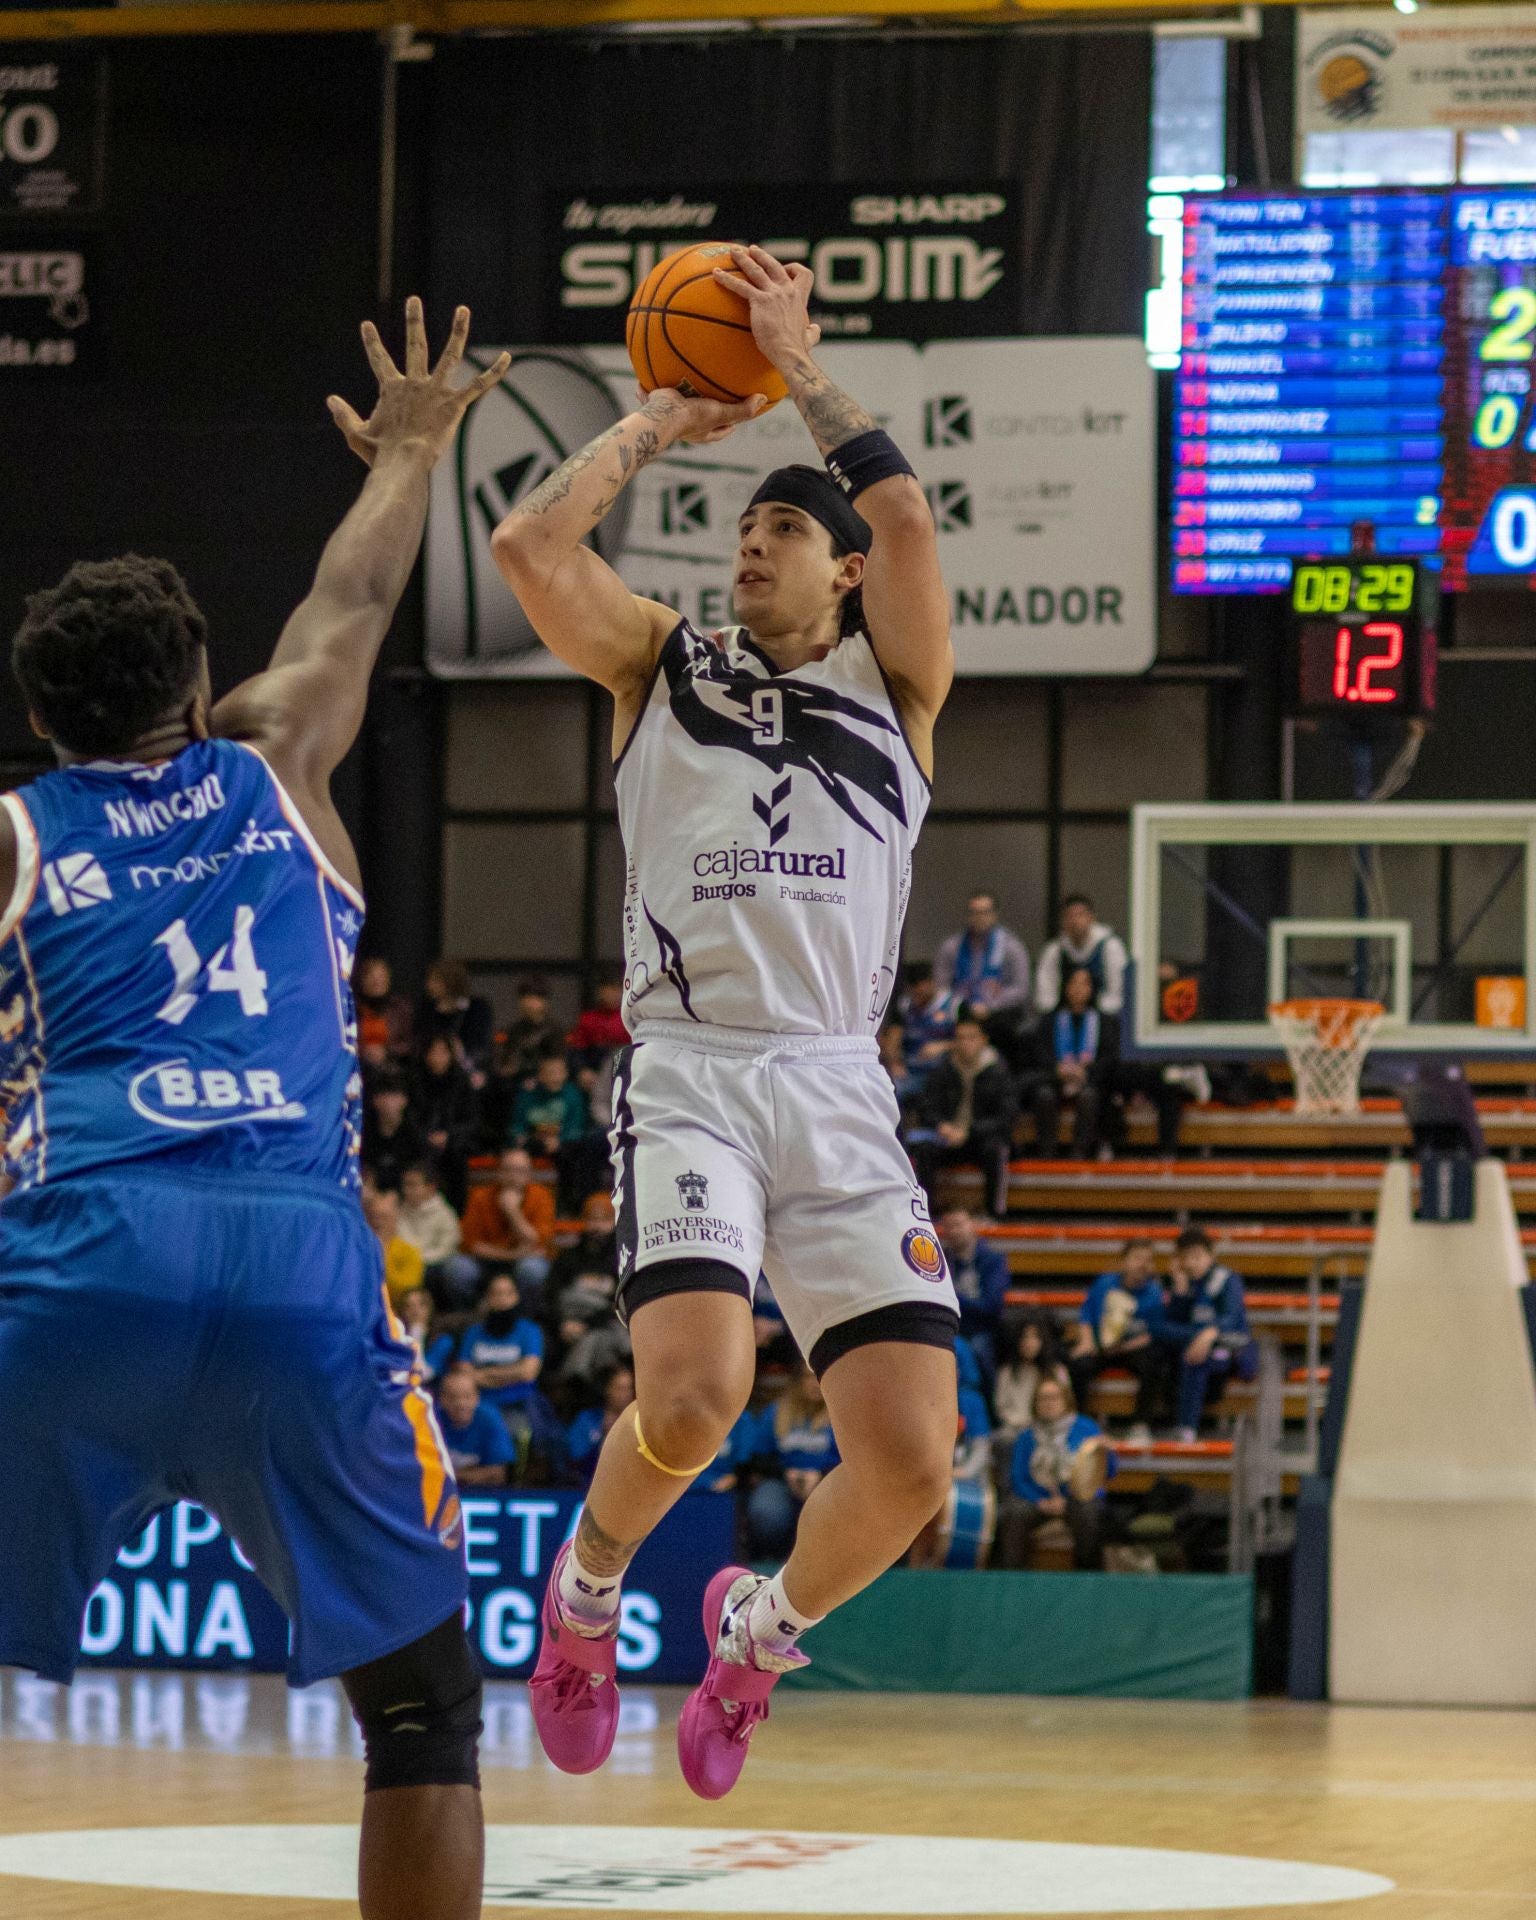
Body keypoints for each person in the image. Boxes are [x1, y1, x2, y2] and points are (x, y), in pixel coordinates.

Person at [0, 298, 508, 1919]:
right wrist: (415, 448)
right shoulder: (280, 765)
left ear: (42, 725)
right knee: (423, 1708)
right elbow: (354, 595)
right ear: (205, 683)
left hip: (86, 1253)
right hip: (299, 1267)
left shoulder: (17, 841)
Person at [491, 241, 960, 1800]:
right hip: (691, 1070)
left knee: (909, 1463)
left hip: (835, 1086)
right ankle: (581, 1601)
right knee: (693, 1398)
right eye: (744, 531)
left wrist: (798, 363)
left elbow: (899, 511)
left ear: (839, 578)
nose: (752, 549)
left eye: (783, 533)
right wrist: (650, 427)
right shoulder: (662, 667)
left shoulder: (899, 693)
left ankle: (753, 1637)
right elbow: (525, 547)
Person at [996, 1376, 1114, 1572]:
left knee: (1089, 1514)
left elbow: (1104, 1474)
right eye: (1043, 1398)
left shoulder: (1086, 1428)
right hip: (1038, 1500)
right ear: (1035, 1403)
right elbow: (1018, 1478)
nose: (1049, 1403)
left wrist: (1107, 1453)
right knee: (1013, 1512)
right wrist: (1040, 1501)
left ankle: (1089, 1580)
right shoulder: (1026, 1436)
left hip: (1077, 1498)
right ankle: (1013, 1579)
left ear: (1066, 1400)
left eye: (1054, 1397)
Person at [911, 1010, 1019, 1218]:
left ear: (983, 1040)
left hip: (979, 1139)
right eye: (960, 1038)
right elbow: (926, 1107)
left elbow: (1006, 1117)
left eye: (971, 1038)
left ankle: (993, 1214)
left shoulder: (998, 1072)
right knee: (923, 1150)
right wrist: (942, 1126)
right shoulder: (943, 1070)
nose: (965, 1043)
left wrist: (969, 1131)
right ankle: (925, 1214)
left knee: (996, 1149)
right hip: (947, 1137)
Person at [1152, 1227, 1256, 1442]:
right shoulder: (1179, 1281)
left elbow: (1232, 1318)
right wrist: (1180, 1294)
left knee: (1197, 1357)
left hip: (1226, 1344)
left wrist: (1209, 1334)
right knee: (1157, 1335)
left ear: (1211, 1254)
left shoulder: (1226, 1279)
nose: (1191, 1263)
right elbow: (1166, 1325)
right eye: (1185, 1257)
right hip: (1190, 1339)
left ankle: (1186, 1427)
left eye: (1197, 1256)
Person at [1067, 1239, 1165, 1441]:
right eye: (1137, 1258)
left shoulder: (1155, 1292)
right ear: (1124, 1261)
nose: (1142, 1264)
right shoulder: (1104, 1283)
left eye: (1147, 1260)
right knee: (1078, 1363)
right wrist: (1087, 1342)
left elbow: (1153, 1333)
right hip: (1100, 1347)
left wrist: (1121, 1347)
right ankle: (1079, 1423)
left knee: (1153, 1362)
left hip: (1132, 1348)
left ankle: (1140, 1424)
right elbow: (1086, 1314)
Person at [745, 1364, 841, 1560]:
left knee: (833, 1512)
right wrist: (786, 1473)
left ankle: (823, 1561)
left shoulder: (841, 1414)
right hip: (780, 1479)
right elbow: (757, 1458)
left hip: (829, 1480)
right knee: (766, 1511)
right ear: (798, 1381)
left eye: (819, 1377)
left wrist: (820, 1475)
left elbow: (852, 1460)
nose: (815, 1384)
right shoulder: (776, 1412)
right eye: (808, 1377)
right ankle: (771, 1561)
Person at [1022, 965, 1117, 1160]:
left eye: (1084, 983)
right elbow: (1039, 1053)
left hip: (1089, 1079)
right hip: (1055, 1077)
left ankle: (1080, 1152)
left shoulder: (1105, 1021)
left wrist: (1085, 1072)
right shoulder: (1049, 1020)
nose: (1079, 988)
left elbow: (1109, 1057)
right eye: (1074, 983)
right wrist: (1057, 1070)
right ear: (1065, 987)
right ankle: (1046, 1151)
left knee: (1089, 1096)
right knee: (1044, 1094)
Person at [458, 1146, 555, 1293]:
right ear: (499, 1171)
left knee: (532, 1269)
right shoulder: (479, 1196)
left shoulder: (542, 1196)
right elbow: (471, 1244)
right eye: (508, 1169)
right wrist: (511, 1256)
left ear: (529, 1174)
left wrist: (512, 1211)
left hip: (525, 1261)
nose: (513, 1176)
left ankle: (521, 1313)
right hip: (488, 1260)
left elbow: (537, 1241)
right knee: (458, 1267)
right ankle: (471, 1312)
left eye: (520, 1171)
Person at [933, 892, 1032, 1025]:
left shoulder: (1012, 947)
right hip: (960, 1011)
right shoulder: (951, 947)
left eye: (985, 912)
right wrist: (963, 1005)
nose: (980, 917)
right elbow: (941, 986)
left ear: (995, 915)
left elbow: (1021, 989)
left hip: (998, 1013)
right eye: (974, 912)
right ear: (967, 916)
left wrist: (990, 1005)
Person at [937, 1205, 1011, 1381]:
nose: (954, 1231)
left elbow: (992, 1306)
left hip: (983, 1330)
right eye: (949, 1226)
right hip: (950, 1327)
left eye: (958, 1224)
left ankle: (987, 1404)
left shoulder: (992, 1260)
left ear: (972, 1224)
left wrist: (954, 1298)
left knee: (979, 1350)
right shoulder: (941, 1259)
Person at [409, 1033, 481, 1212]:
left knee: (456, 1157)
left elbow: (472, 1120)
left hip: (455, 1142)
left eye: (443, 1052)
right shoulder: (415, 1081)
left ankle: (457, 1213)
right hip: (422, 1141)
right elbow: (411, 1117)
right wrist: (426, 1135)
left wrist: (448, 1135)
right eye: (433, 1052)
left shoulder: (462, 1082)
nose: (437, 1058)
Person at [460, 1271, 545, 1416]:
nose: (502, 1299)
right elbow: (465, 1374)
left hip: (520, 1403)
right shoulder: (473, 1332)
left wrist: (487, 1373)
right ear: (487, 1298)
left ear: (517, 1297)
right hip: (479, 1404)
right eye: (496, 1293)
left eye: (508, 1293)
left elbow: (528, 1372)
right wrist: (512, 1373)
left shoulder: (530, 1330)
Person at [1034, 893, 1129, 1018]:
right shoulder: (1054, 950)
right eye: (1070, 916)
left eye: (1080, 915)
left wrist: (1092, 1011)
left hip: (1104, 1017)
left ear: (1092, 918)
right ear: (1063, 921)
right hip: (1064, 1017)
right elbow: (1044, 994)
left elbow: (1118, 992)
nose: (1075, 921)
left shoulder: (1110, 947)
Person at [399, 1161, 481, 1307]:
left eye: (413, 1185)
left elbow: (446, 1249)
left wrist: (419, 1259)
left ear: (430, 1188)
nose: (407, 1190)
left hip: (436, 1266)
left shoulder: (446, 1214)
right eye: (405, 1184)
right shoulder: (398, 1213)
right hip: (406, 1263)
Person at [435, 1365, 516, 1489]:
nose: (460, 1404)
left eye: (467, 1397)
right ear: (441, 1399)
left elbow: (498, 1474)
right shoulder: (431, 1419)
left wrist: (451, 1475)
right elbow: (419, 1471)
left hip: (482, 1494)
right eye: (453, 1397)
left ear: (476, 1398)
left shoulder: (490, 1418)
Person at [418, 958, 496, 1085]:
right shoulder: (427, 1010)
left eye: (435, 980)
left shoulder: (476, 1008)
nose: (429, 985)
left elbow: (482, 1046)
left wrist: (461, 1056)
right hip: (433, 1071)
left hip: (468, 1070)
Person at [993, 1311, 1066, 1439]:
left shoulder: (1057, 1371)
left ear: (1043, 1340)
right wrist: (1023, 1425)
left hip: (1052, 1430)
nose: (1029, 1343)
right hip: (1016, 1432)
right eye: (1024, 1337)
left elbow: (1066, 1405)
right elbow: (1001, 1408)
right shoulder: (1007, 1373)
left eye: (1034, 1337)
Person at [362, 1065, 428, 1194]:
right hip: (374, 1195)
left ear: (404, 1100)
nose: (388, 1102)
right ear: (375, 1100)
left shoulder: (414, 1135)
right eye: (383, 1096)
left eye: (394, 1095)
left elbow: (418, 1172)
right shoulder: (366, 1134)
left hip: (407, 1195)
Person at [567, 1366, 636, 1484]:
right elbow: (574, 1456)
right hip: (587, 1486)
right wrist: (602, 1437)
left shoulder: (639, 1423)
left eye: (628, 1389)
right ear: (607, 1389)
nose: (624, 1394)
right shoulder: (587, 1419)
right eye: (619, 1388)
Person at [365, 1184, 427, 1308]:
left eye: (384, 1217)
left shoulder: (409, 1252)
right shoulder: (356, 1249)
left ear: (395, 1218)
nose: (378, 1222)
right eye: (373, 1216)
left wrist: (382, 1254)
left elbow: (406, 1292)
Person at [355, 955, 414, 1067]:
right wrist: (362, 1050)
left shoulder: (400, 1007)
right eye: (371, 977)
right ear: (362, 980)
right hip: (357, 1068)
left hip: (391, 1069)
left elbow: (410, 1043)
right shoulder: (352, 1007)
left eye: (381, 976)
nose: (377, 982)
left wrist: (386, 1051)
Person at [398, 1286, 458, 1383]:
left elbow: (423, 1374)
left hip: (431, 1392)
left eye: (421, 1305)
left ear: (429, 1308)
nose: (415, 1310)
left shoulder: (443, 1340)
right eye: (408, 1306)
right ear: (403, 1312)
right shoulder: (397, 1337)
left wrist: (416, 1333)